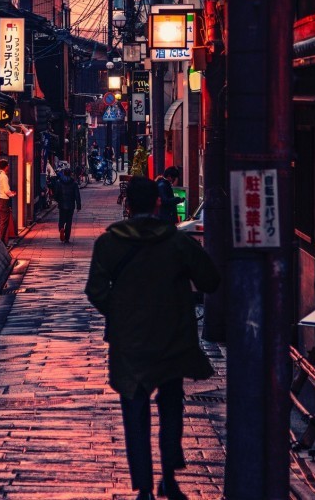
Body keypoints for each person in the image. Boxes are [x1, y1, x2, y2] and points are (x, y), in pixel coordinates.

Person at [85, 177, 220, 500]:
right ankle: (169, 479)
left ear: (127, 204)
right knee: (171, 407)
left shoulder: (109, 243)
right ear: (157, 203)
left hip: (129, 343)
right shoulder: (177, 242)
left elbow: (96, 291)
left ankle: (143, 487)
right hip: (172, 339)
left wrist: (120, 315)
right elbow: (210, 280)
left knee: (135, 411)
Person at [53, 165, 82, 243]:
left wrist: (56, 199)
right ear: (70, 174)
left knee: (61, 219)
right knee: (69, 221)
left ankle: (61, 228)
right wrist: (78, 205)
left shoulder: (59, 182)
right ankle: (67, 238)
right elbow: (77, 195)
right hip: (70, 205)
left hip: (62, 204)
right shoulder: (74, 183)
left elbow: (56, 193)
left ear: (64, 174)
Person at [0, 159, 16, 245]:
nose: (8, 167)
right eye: (8, 165)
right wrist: (12, 194)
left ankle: (2, 241)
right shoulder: (4, 176)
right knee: (4, 222)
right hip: (4, 200)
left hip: (0, 199)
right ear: (6, 166)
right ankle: (2, 241)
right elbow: (6, 190)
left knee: (2, 220)